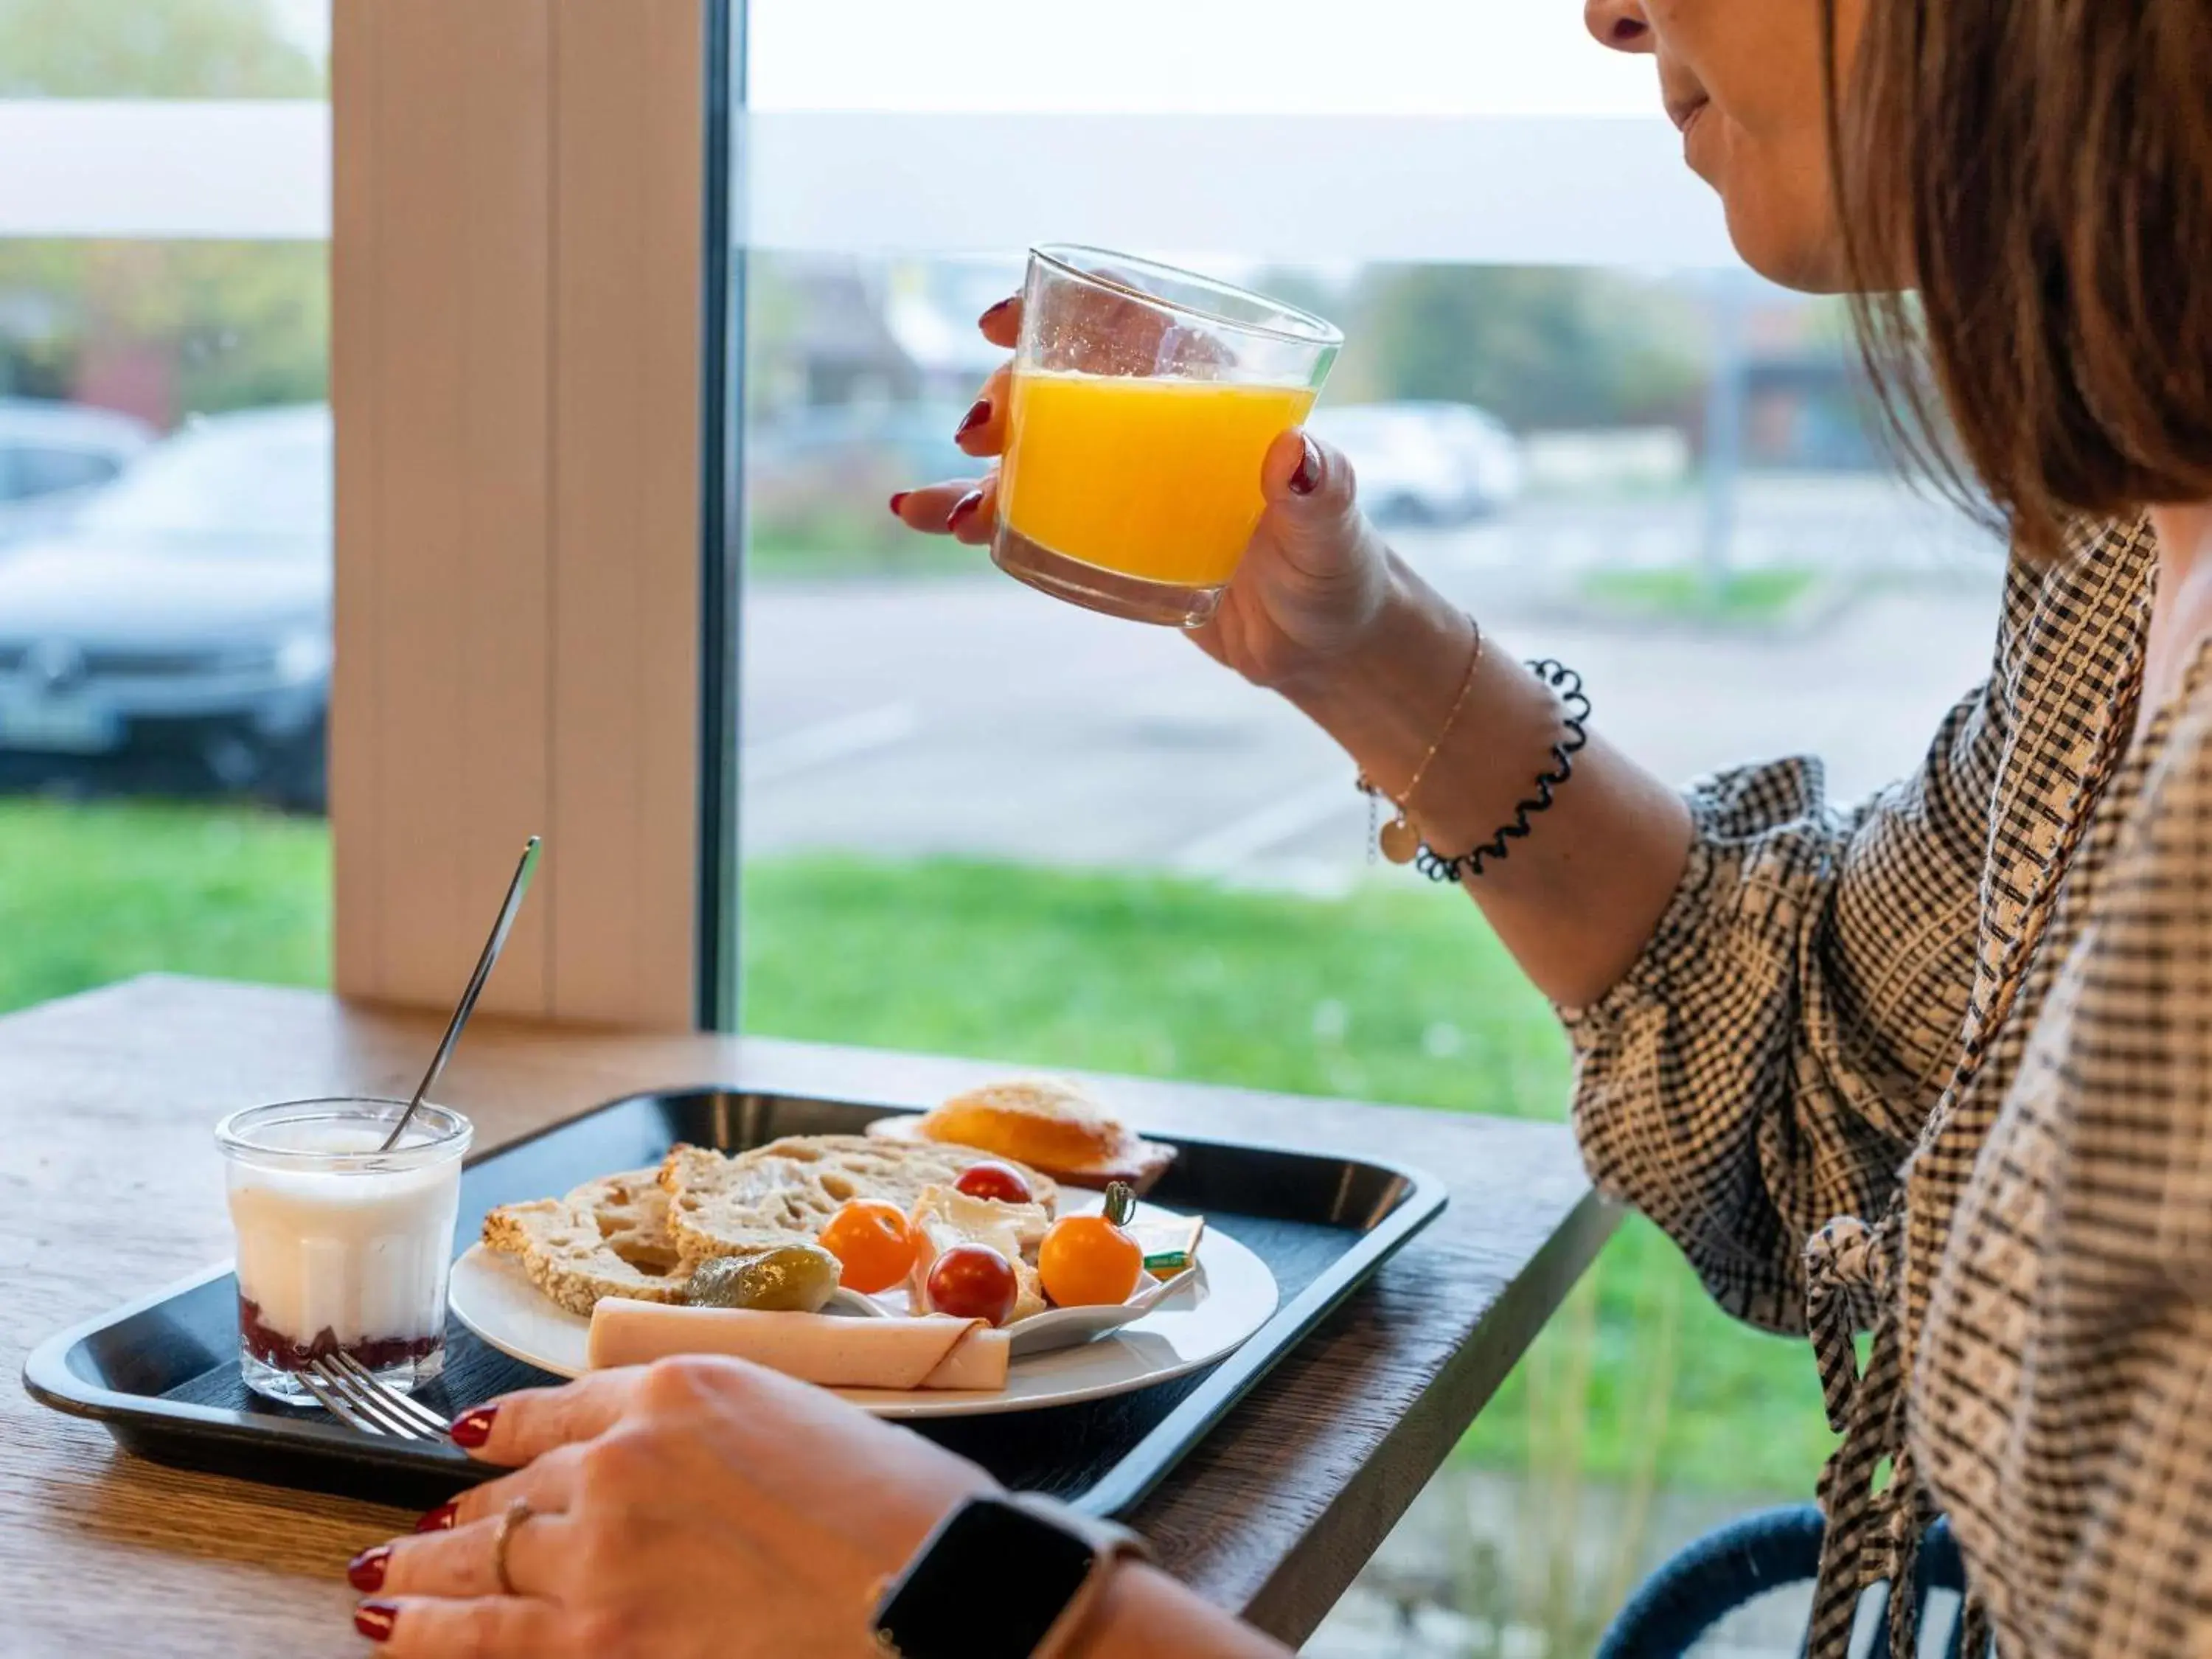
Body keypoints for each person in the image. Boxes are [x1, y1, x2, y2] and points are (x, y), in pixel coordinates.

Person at [347, 0, 2212, 1653]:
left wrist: (974, 1600)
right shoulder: (2127, 553)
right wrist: (1359, 646)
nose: (1609, 16)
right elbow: (1834, 1076)